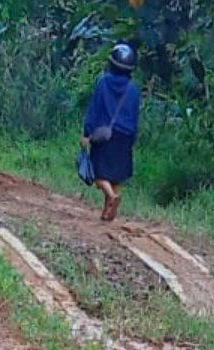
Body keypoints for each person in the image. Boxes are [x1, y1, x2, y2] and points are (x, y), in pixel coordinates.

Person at [81, 43, 141, 224]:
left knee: (99, 173)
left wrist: (87, 133)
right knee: (117, 174)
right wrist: (133, 138)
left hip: (104, 134)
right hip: (125, 136)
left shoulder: (104, 82)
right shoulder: (133, 88)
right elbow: (135, 115)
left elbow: (95, 109)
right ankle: (107, 213)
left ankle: (111, 196)